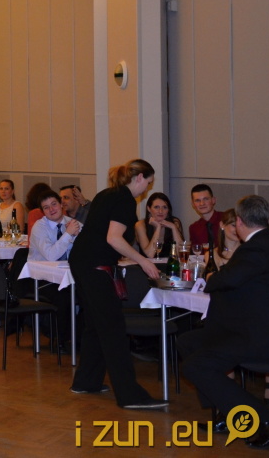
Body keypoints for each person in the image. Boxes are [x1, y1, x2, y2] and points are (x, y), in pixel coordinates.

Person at [179, 195, 269, 447]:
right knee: (188, 342)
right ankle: (227, 412)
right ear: (267, 219)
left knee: (195, 366)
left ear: (239, 222)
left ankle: (266, 418)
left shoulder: (255, 248)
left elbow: (226, 279)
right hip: (253, 327)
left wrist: (212, 277)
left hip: (259, 336)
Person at [68, 158, 166, 409]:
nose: (147, 188)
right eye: (148, 182)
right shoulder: (124, 199)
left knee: (95, 324)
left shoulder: (106, 194)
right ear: (139, 178)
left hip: (83, 262)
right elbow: (113, 238)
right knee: (113, 328)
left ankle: (86, 381)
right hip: (95, 267)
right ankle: (130, 395)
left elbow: (101, 235)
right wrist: (143, 261)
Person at [27, 191, 81, 348]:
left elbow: (87, 248)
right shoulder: (39, 227)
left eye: (54, 204)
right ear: (42, 211)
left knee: (90, 294)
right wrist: (68, 235)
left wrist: (77, 236)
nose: (51, 209)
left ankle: (80, 337)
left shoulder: (73, 223)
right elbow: (51, 255)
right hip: (42, 279)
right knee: (64, 296)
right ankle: (61, 339)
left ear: (61, 204)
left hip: (68, 276)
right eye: (46, 207)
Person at [134, 192, 184, 259]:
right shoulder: (140, 225)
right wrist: (158, 228)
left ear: (168, 210)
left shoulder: (174, 223)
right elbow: (150, 254)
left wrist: (173, 227)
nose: (160, 211)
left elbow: (181, 254)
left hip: (169, 264)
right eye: (156, 207)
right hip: (147, 265)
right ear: (149, 208)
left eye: (164, 207)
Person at [189, 184, 222, 249]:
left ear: (213, 200)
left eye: (206, 199)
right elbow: (196, 252)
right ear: (193, 204)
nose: (202, 203)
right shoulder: (194, 228)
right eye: (197, 200)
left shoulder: (226, 219)